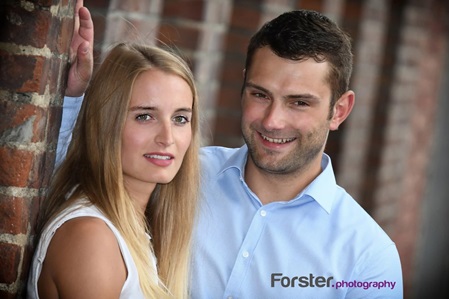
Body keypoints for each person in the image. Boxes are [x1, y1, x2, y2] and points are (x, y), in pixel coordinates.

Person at [58, 8, 403, 299]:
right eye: (260, 95)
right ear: (242, 87)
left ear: (339, 111)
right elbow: (75, 192)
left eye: (299, 102)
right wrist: (71, 98)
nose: (273, 120)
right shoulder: (181, 172)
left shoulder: (368, 258)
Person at [27, 4, 200, 299]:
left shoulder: (135, 230)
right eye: (144, 116)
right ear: (107, 123)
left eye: (180, 118)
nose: (167, 137)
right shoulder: (91, 237)